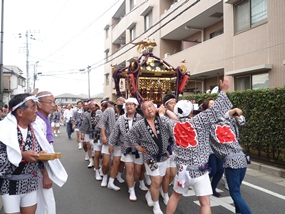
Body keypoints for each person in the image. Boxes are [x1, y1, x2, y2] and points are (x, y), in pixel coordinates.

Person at [166, 77, 232, 214]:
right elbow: (216, 110)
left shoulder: (172, 125)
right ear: (191, 111)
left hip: (182, 171)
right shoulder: (199, 121)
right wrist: (223, 90)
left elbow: (165, 118)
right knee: (205, 203)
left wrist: (163, 111)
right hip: (199, 171)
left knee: (175, 196)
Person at [0, 93, 67, 214]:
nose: (36, 111)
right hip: (10, 183)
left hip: (30, 182)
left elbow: (40, 152)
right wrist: (21, 156)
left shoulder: (35, 129)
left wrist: (41, 156)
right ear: (20, 112)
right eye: (33, 107)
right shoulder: (4, 130)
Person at [126, 101, 178, 214]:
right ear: (142, 112)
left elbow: (175, 123)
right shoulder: (139, 125)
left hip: (164, 156)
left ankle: (149, 194)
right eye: (145, 108)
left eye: (150, 106)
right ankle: (156, 205)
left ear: (155, 108)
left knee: (159, 180)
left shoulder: (162, 120)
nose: (148, 109)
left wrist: (164, 111)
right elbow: (129, 136)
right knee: (156, 180)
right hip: (150, 157)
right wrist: (137, 147)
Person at [209, 107, 252, 213]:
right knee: (237, 191)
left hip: (232, 162)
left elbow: (241, 121)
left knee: (235, 193)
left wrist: (234, 114)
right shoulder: (228, 125)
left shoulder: (211, 128)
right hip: (242, 159)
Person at [34, 91, 67, 214]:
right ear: (39, 104)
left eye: (54, 102)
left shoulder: (43, 119)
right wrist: (46, 174)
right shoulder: (37, 121)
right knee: (44, 202)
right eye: (50, 102)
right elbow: (41, 151)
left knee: (43, 201)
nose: (53, 105)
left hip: (41, 168)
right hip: (39, 169)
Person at [108, 98, 147, 201]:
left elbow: (144, 134)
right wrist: (111, 144)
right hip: (126, 148)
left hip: (138, 149)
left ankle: (133, 184)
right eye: (127, 104)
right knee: (129, 170)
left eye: (131, 104)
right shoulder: (121, 118)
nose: (129, 106)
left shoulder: (141, 119)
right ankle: (132, 190)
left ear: (136, 106)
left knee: (138, 171)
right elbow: (115, 132)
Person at [202, 97, 225, 198]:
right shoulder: (204, 117)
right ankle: (202, 183)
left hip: (219, 148)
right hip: (209, 148)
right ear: (207, 106)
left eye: (214, 104)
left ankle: (213, 188)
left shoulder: (221, 118)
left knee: (220, 170)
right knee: (213, 170)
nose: (213, 105)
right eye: (211, 104)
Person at [160, 94, 177, 205]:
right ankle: (165, 194)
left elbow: (177, 120)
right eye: (171, 103)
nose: (174, 105)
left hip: (175, 147)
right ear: (166, 105)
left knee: (172, 174)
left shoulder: (177, 114)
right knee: (166, 174)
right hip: (165, 147)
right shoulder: (161, 116)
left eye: (175, 103)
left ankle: (162, 188)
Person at [80, 101, 99, 168]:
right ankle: (91, 160)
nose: (93, 107)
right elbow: (84, 124)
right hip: (88, 132)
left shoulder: (101, 114)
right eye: (92, 105)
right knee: (89, 146)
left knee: (95, 146)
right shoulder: (87, 115)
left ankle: (96, 160)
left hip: (97, 133)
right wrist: (83, 134)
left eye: (94, 105)